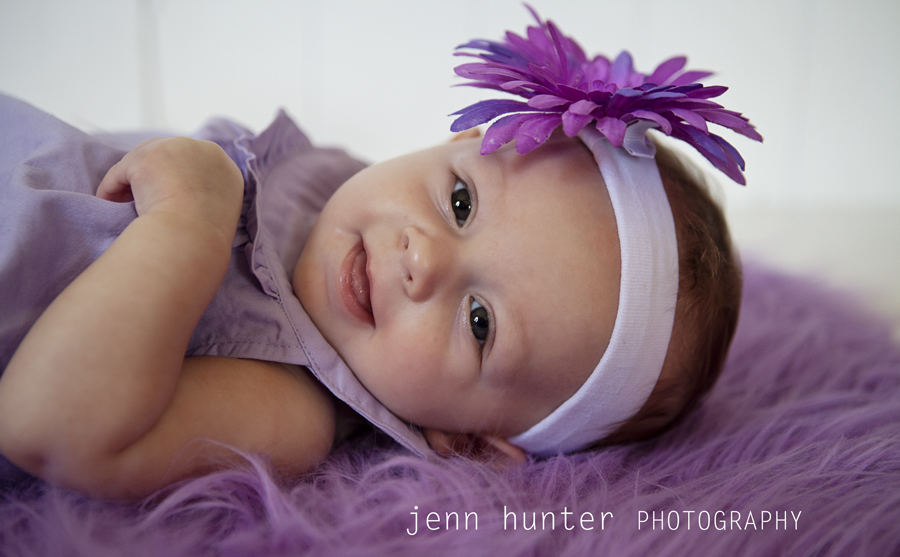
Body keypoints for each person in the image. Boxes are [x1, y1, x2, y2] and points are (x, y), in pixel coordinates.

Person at [0, 9, 756, 500]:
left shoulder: (288, 401)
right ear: (463, 138)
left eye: (481, 322)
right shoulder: (334, 193)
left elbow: (53, 428)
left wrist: (186, 224)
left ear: (466, 442)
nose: (423, 259)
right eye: (460, 203)